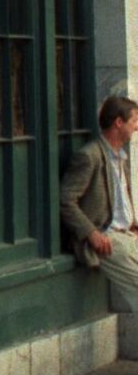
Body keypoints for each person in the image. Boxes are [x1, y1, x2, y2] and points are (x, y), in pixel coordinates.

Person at [60, 95, 138, 305]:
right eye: (134, 121)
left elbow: (119, 201)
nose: (136, 127)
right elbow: (66, 200)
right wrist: (91, 233)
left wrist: (133, 225)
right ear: (119, 122)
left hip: (127, 235)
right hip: (107, 239)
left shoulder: (120, 157)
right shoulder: (89, 156)